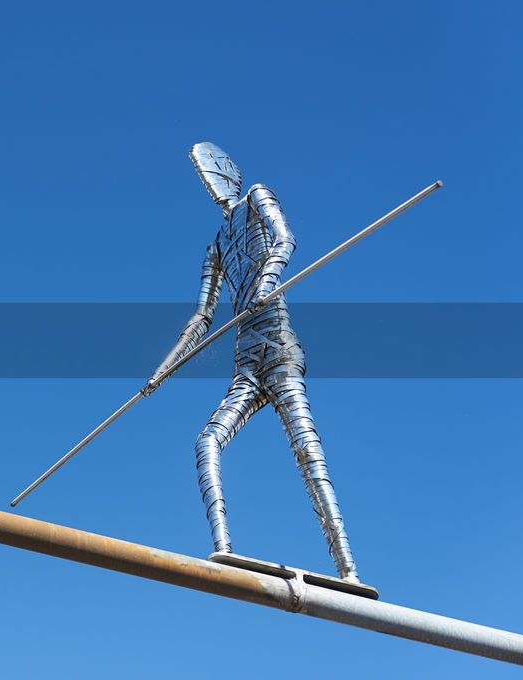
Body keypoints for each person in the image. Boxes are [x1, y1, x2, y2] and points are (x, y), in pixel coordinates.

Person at [145, 143, 359, 582]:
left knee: (308, 451)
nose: (211, 181)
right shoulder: (217, 246)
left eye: (214, 170)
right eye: (203, 177)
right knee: (206, 443)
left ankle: (348, 569)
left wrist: (266, 280)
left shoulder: (259, 196)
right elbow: (202, 317)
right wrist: (162, 371)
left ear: (230, 171)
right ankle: (224, 547)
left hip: (277, 344)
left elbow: (286, 239)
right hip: (245, 358)